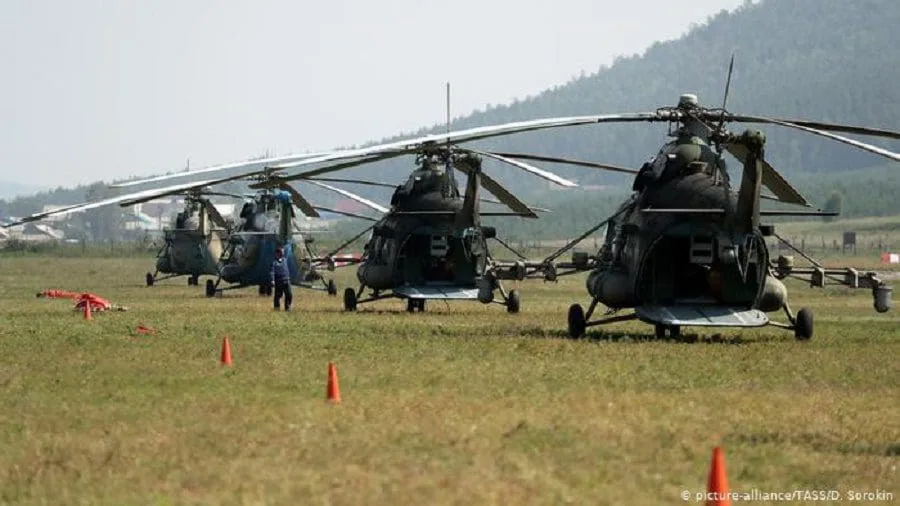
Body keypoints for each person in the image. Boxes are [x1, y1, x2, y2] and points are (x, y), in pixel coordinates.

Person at [270, 247, 293, 311]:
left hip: (286, 280)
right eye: (281, 252)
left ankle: (287, 308)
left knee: (289, 294)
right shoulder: (274, 262)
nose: (283, 253)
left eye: (283, 252)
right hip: (279, 281)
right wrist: (272, 280)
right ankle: (276, 308)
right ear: (277, 253)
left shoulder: (285, 260)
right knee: (278, 295)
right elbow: (272, 271)